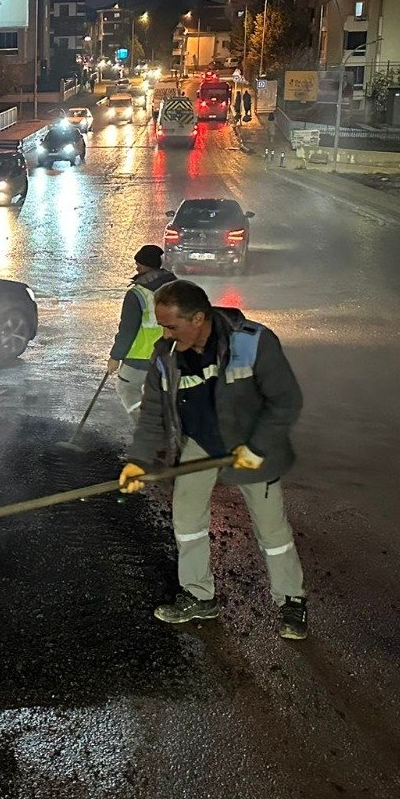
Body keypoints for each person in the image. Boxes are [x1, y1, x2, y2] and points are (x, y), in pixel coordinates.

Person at [119, 279, 309, 639]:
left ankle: (291, 600)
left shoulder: (251, 342)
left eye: (171, 326)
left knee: (271, 529)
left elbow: (286, 400)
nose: (166, 334)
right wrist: (139, 462)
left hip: (250, 442)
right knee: (186, 517)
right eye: (162, 326)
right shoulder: (166, 357)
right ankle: (198, 595)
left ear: (198, 318)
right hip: (201, 443)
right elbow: (152, 415)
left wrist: (259, 447)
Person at [108, 245, 176, 421]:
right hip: (171, 352)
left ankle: (144, 429)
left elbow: (127, 329)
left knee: (127, 389)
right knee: (163, 394)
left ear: (146, 266)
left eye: (138, 264)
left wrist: (116, 356)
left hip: (140, 355)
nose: (136, 268)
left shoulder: (137, 294)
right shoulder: (176, 288)